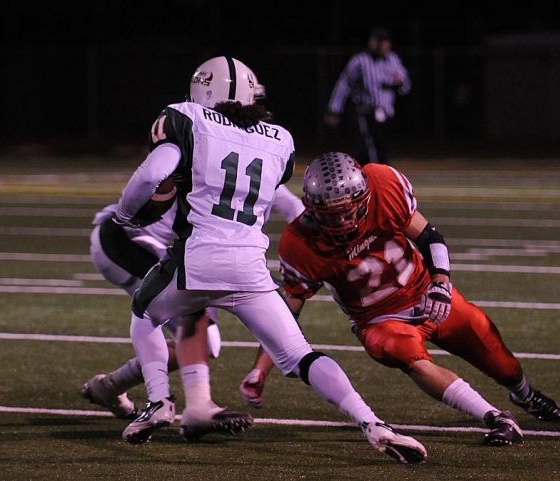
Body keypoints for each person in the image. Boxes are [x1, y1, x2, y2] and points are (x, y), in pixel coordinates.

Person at [113, 56, 428, 464]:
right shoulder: (278, 138)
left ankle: (159, 401)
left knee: (143, 311)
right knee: (301, 355)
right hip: (250, 266)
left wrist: (127, 213)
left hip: (199, 258)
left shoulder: (187, 119)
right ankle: (373, 423)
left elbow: (152, 171)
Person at [239, 151, 560, 447]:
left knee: (493, 349)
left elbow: (429, 236)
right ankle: (495, 417)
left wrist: (441, 280)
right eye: (330, 216)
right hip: (379, 321)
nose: (341, 222)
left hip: (425, 293)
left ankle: (525, 395)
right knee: (406, 355)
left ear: (363, 197)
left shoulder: (383, 185)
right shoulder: (300, 243)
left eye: (347, 212)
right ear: (313, 211)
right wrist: (261, 370)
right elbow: (285, 315)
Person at [81, 183, 304, 421]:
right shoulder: (205, 157)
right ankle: (194, 409)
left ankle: (110, 387)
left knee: (204, 340)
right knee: (198, 330)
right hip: (129, 243)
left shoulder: (252, 161)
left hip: (183, 252)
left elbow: (294, 208)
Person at [324, 27, 411, 166]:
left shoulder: (393, 59)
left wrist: (399, 83)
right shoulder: (360, 60)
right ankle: (373, 177)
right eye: (379, 41)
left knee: (380, 147)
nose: (382, 45)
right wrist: (334, 109)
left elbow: (405, 85)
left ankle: (373, 175)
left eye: (385, 42)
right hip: (364, 111)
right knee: (368, 146)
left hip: (386, 113)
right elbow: (343, 84)